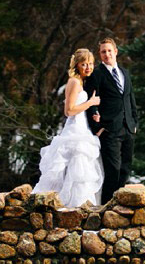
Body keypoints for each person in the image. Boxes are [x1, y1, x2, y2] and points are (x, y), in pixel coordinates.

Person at [33, 48, 104, 207]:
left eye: (91, 64)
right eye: (84, 64)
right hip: (74, 131)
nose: (88, 67)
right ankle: (69, 205)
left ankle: (80, 207)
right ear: (77, 65)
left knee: (80, 172)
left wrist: (93, 114)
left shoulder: (81, 82)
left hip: (82, 128)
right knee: (73, 168)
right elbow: (69, 111)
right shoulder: (73, 81)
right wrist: (90, 103)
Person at [84, 36, 138, 204]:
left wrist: (135, 123)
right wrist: (97, 127)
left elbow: (130, 99)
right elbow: (90, 101)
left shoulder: (124, 72)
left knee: (125, 168)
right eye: (103, 52)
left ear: (116, 51)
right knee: (112, 170)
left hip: (128, 127)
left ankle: (119, 204)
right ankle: (107, 207)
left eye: (109, 51)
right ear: (100, 55)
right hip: (109, 129)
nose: (107, 54)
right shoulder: (97, 74)